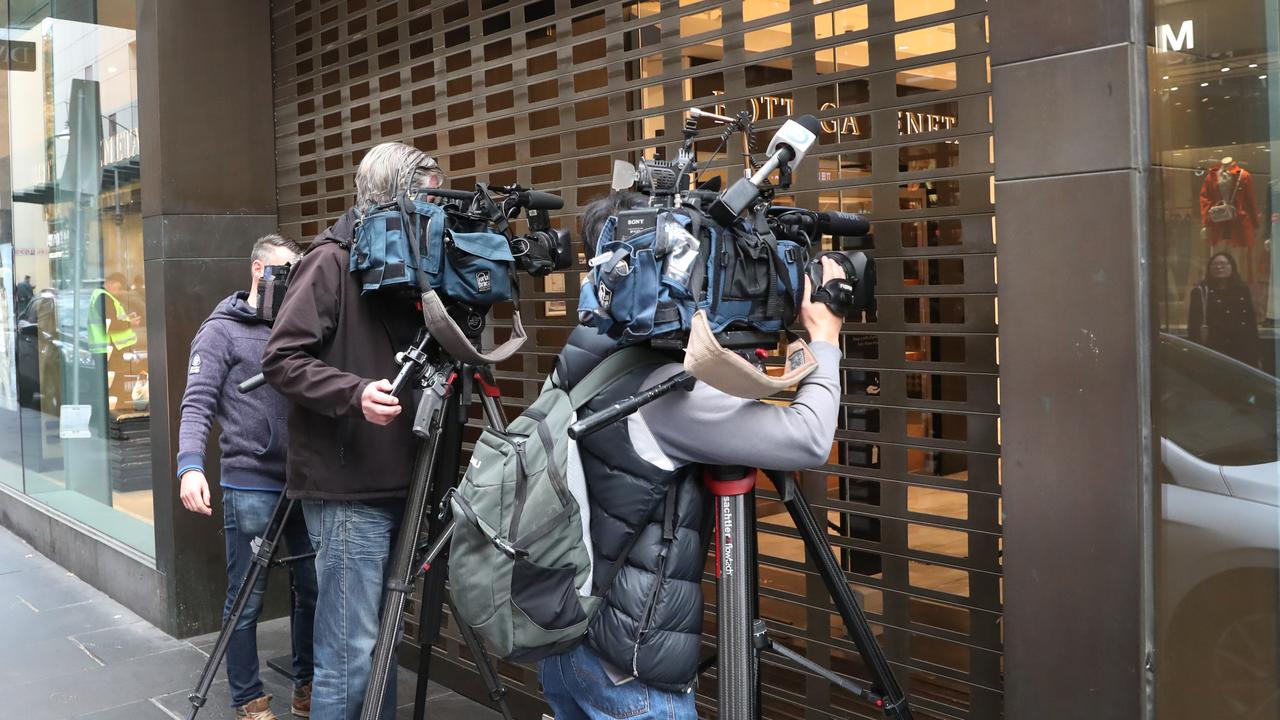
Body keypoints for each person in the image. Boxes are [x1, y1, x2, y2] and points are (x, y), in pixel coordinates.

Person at [537, 194, 848, 719]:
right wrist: (824, 336)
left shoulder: (589, 348)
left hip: (569, 639)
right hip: (630, 670)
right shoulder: (664, 393)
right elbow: (810, 437)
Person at [262, 142, 444, 720]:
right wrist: (354, 393)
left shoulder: (415, 266)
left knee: (381, 645)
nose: (435, 210)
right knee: (349, 654)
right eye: (426, 196)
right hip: (347, 491)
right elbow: (283, 359)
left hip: (401, 481)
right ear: (391, 195)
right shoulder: (330, 261)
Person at [176, 233, 315, 720]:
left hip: (305, 482)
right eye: (285, 272)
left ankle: (307, 686)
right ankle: (247, 697)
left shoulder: (300, 326)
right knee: (246, 599)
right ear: (258, 270)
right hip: (250, 480)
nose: (294, 281)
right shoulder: (221, 331)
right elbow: (197, 403)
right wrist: (189, 466)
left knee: (313, 589)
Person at [1188, 251, 1260, 366]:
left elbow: (1251, 322)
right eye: (1215, 264)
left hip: (1242, 350)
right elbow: (1193, 325)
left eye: (1223, 264)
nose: (1219, 267)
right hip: (1214, 350)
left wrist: (1256, 354)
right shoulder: (1200, 292)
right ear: (1209, 268)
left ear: (1232, 267)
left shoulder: (1242, 290)